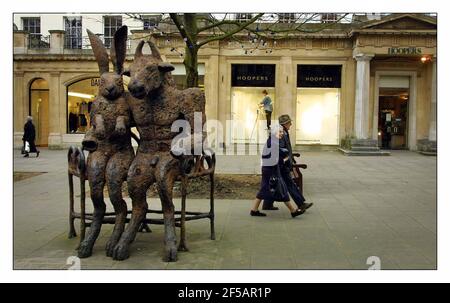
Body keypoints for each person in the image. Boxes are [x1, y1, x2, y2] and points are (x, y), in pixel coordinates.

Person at [250, 124, 305, 218]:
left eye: (282, 132)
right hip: (272, 170)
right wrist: (286, 159)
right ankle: (293, 211)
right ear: (275, 132)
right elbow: (276, 160)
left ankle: (254, 210)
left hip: (267, 169)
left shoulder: (272, 141)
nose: (282, 134)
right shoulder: (274, 143)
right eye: (280, 132)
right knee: (282, 190)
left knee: (264, 189)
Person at [262, 114, 313, 212]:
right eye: (290, 122)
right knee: (289, 184)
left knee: (274, 183)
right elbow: (280, 149)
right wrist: (285, 161)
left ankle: (267, 204)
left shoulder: (283, 131)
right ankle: (301, 204)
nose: (291, 124)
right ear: (285, 124)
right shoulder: (281, 133)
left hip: (279, 164)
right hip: (281, 165)